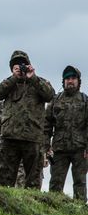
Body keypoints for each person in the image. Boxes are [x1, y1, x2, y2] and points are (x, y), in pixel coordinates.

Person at [0, 50, 54, 189]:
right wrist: (14, 78)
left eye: (22, 64)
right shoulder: (8, 83)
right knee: (5, 182)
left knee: (33, 182)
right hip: (10, 137)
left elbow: (49, 95)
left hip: (32, 138)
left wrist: (33, 77)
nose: (19, 67)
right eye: (15, 65)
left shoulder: (39, 82)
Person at [45, 65, 88, 202]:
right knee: (55, 183)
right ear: (63, 81)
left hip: (80, 149)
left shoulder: (85, 100)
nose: (70, 81)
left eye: (73, 78)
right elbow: (47, 124)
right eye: (67, 78)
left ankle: (80, 213)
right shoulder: (55, 100)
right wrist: (46, 145)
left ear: (78, 81)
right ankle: (53, 211)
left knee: (80, 182)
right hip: (59, 149)